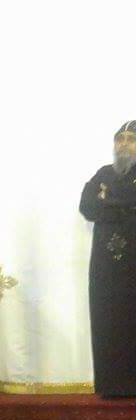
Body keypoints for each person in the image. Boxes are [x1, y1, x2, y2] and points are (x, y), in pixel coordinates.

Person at [80, 120, 136, 398]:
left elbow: (106, 204)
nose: (124, 144)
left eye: (131, 139)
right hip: (106, 266)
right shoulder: (103, 173)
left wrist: (109, 202)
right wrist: (123, 206)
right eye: (119, 139)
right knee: (107, 321)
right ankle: (112, 386)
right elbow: (87, 207)